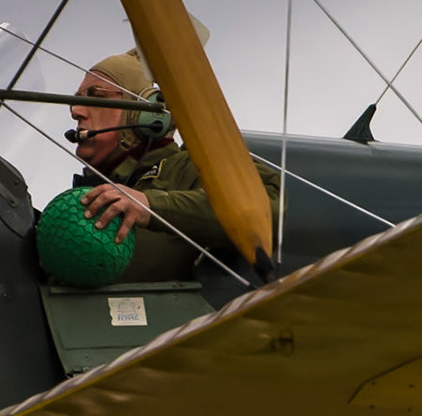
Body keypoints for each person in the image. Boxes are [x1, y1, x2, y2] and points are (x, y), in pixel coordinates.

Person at [68, 50, 279, 282]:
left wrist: (150, 206)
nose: (76, 111)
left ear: (143, 110)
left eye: (95, 95)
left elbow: (266, 205)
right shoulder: (80, 198)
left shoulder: (190, 166)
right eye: (76, 99)